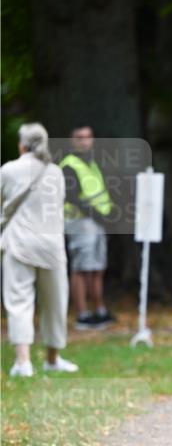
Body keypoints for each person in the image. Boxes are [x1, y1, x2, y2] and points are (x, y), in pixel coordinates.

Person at [1, 123, 78, 377]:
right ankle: (52, 359)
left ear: (21, 144)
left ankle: (23, 363)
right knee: (55, 303)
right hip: (51, 245)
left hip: (18, 243)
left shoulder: (8, 170)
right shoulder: (55, 172)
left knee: (20, 302)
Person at [60, 125, 116, 329]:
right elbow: (73, 197)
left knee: (97, 267)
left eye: (88, 137)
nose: (85, 141)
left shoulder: (92, 163)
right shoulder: (69, 165)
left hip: (97, 222)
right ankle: (82, 314)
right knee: (81, 268)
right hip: (80, 222)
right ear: (72, 141)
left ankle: (99, 311)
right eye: (79, 138)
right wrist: (98, 215)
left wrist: (107, 215)